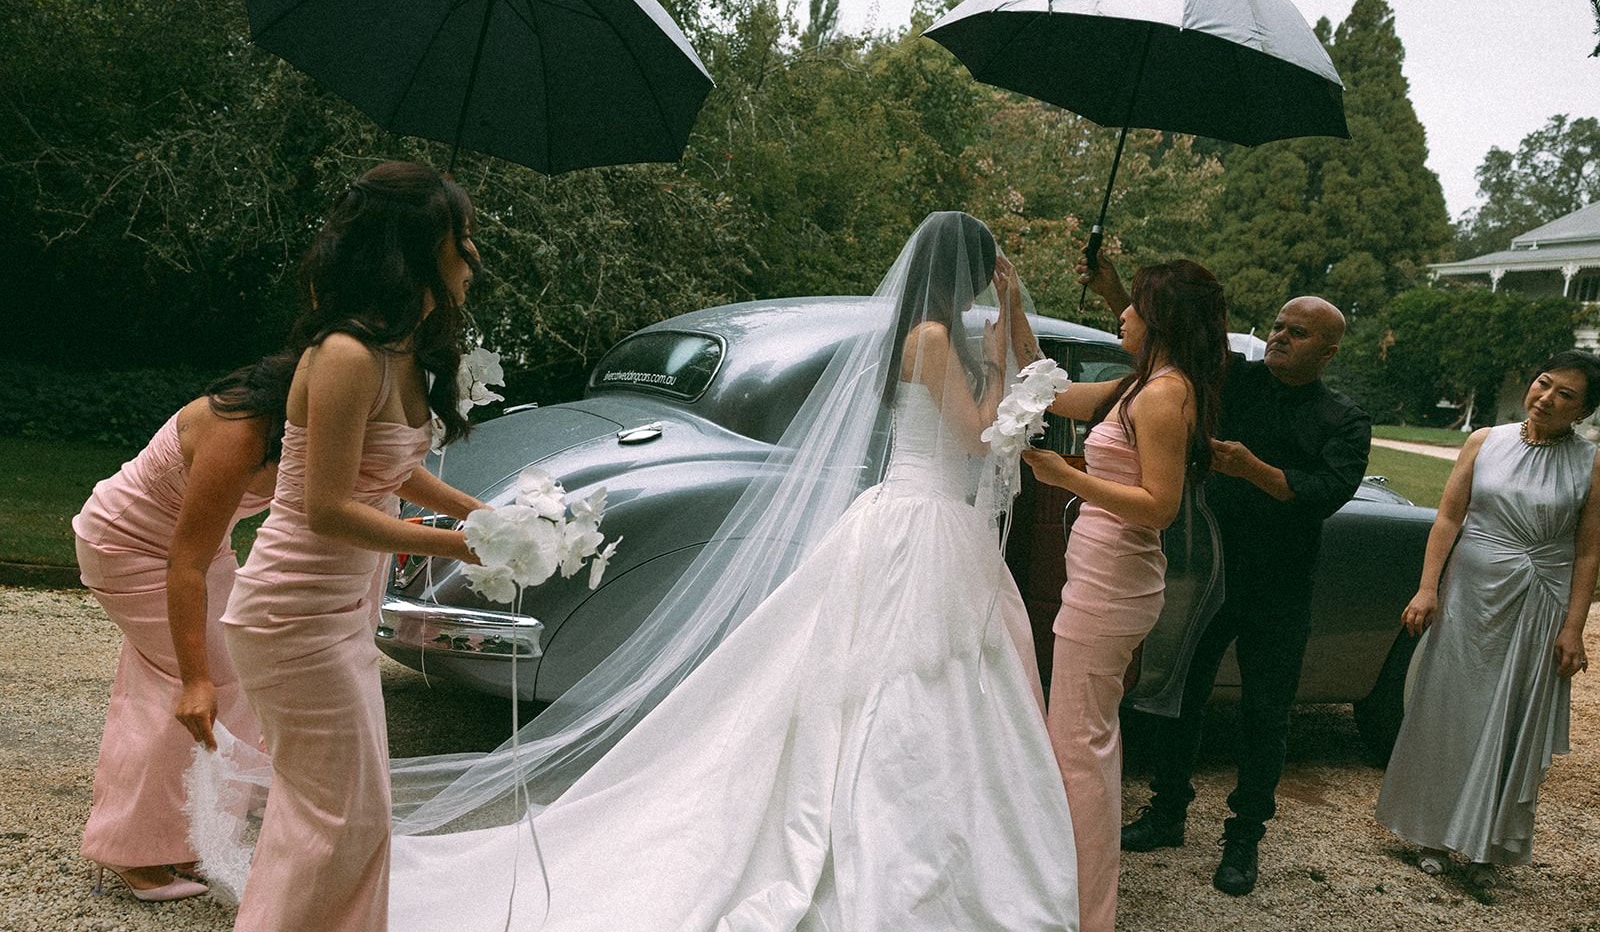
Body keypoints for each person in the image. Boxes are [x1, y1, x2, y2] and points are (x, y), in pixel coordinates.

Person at [376, 212, 1080, 931]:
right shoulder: (929, 339)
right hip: (919, 521)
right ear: (964, 274)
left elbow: (1004, 414)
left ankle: (949, 831)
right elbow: (979, 436)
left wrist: (1010, 330)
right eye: (983, 275)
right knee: (899, 679)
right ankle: (881, 829)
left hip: (936, 523)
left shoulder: (942, 335)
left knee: (932, 679)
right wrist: (999, 362)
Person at [220, 161, 488, 932]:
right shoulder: (345, 354)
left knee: (338, 815)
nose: (475, 255)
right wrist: (458, 546)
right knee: (345, 820)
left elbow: (391, 469)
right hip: (291, 615)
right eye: (462, 236)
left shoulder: (400, 349)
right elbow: (328, 508)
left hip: (340, 612)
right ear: (421, 245)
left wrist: (487, 517)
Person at [1084, 263, 1371, 898]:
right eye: (1279, 325)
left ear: (1328, 351)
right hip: (1206, 569)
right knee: (1180, 693)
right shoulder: (1233, 378)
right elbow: (1173, 337)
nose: (1280, 337)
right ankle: (1167, 811)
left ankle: (1243, 839)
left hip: (1280, 585)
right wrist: (1113, 292)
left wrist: (1253, 469)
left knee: (1265, 713)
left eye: (1298, 333)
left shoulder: (1344, 418)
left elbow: (1326, 492)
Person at [1018, 259, 1229, 932]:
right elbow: (1056, 394)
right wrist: (1013, 316)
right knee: (1082, 739)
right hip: (1104, 579)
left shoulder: (1164, 396)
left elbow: (1159, 506)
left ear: (1161, 319)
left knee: (1079, 747)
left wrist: (1066, 476)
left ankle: (1086, 911)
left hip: (1114, 586)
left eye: (1134, 305)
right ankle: (1072, 891)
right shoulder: (1138, 385)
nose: (1123, 314)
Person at [72, 353, 296, 900]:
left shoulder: (292, 433)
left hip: (197, 549)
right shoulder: (237, 431)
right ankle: (135, 853)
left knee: (225, 673)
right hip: (131, 547)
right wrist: (196, 677)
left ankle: (178, 836)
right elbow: (183, 564)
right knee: (203, 683)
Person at [1376, 351, 1600, 889]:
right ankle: (1432, 834)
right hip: (1468, 598)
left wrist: (1574, 628)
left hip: (1538, 604)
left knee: (1511, 718)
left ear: (1583, 412)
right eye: (1544, 383)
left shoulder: (1592, 464)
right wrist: (1427, 588)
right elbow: (1448, 517)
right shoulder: (1484, 440)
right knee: (1450, 709)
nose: (1547, 398)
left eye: (1566, 395)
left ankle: (1486, 848)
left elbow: (1589, 552)